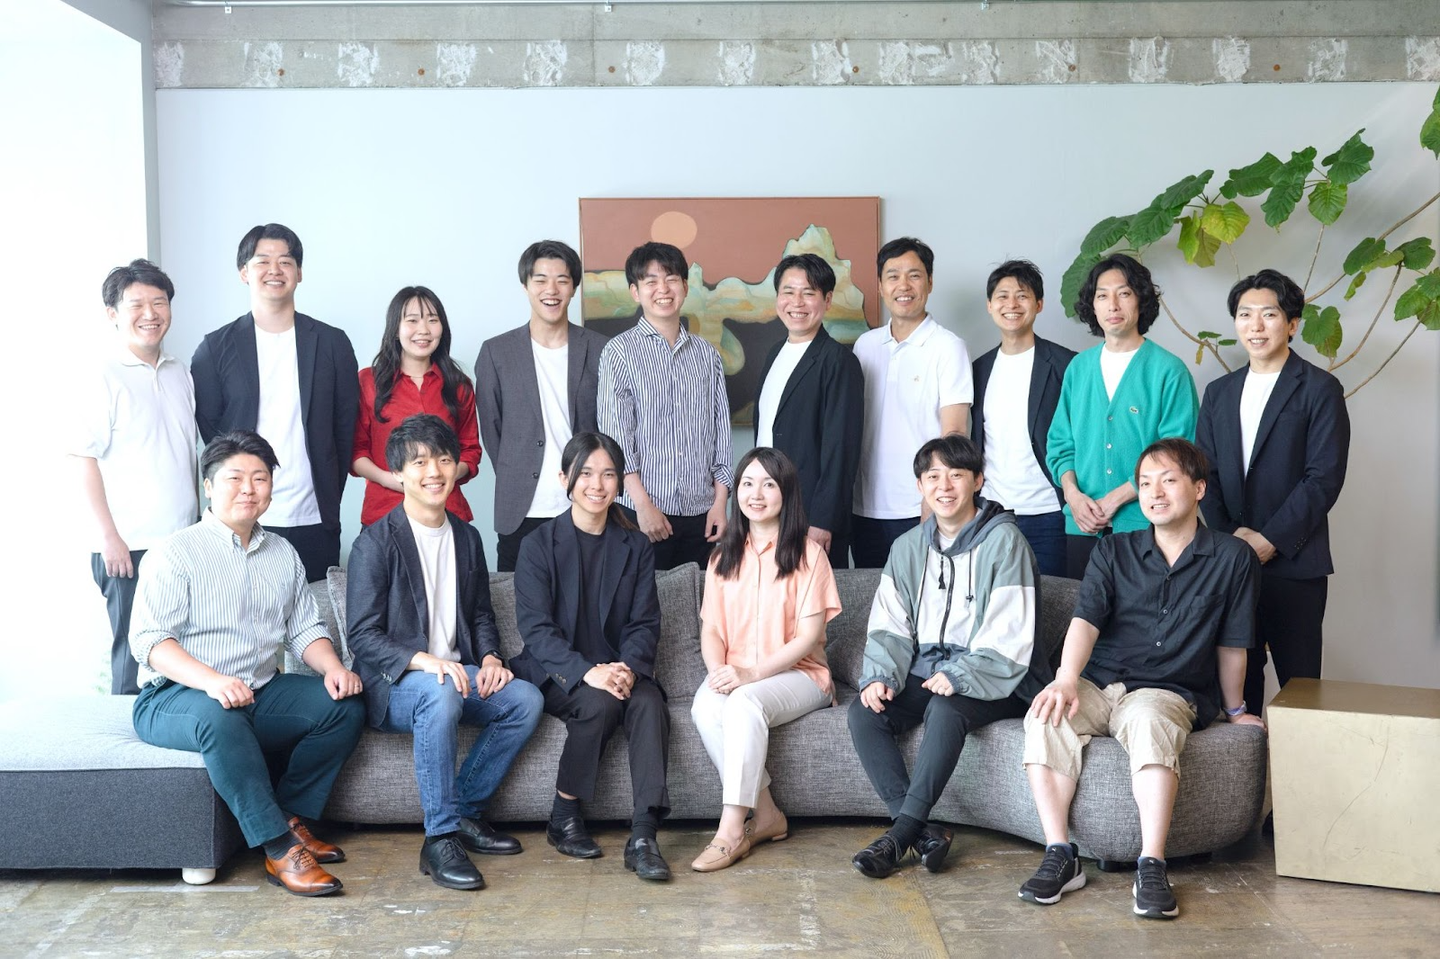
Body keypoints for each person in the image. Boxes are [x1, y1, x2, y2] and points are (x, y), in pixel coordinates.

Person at [1019, 438, 1262, 920]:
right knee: (1047, 714)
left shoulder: (1232, 557)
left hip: (1167, 690)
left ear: (1199, 488)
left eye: (1168, 481)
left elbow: (1232, 644)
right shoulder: (1114, 550)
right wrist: (1066, 679)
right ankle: (1061, 854)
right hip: (1100, 682)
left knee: (1150, 720)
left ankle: (1152, 864)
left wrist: (1235, 710)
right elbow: (1085, 621)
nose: (1155, 493)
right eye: (1146, 483)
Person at [129, 430, 366, 897]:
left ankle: (292, 817)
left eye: (260, 478)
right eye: (235, 478)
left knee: (343, 704)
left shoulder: (281, 552)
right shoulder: (175, 552)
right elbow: (150, 642)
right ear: (208, 486)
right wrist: (212, 681)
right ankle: (278, 848)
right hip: (174, 696)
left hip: (258, 691)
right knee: (220, 716)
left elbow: (304, 629)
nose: (248, 489)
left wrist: (333, 668)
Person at [346, 414, 544, 891]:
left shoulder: (467, 537)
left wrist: (492, 657)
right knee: (439, 691)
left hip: (456, 676)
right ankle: (440, 838)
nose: (433, 471)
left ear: (456, 467)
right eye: (419, 462)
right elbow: (362, 635)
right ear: (398, 473)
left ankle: (466, 813)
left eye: (443, 459)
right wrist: (425, 661)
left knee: (525, 700)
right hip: (397, 685)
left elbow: (480, 614)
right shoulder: (375, 542)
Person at [848, 434, 1050, 879]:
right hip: (931, 671)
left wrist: (961, 674)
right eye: (933, 476)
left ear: (977, 481)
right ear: (920, 485)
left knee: (945, 707)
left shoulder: (1006, 542)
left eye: (956, 475)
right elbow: (890, 623)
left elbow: (1011, 632)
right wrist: (880, 675)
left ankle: (899, 836)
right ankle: (923, 832)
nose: (944, 486)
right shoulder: (907, 547)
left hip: (1001, 676)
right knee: (865, 711)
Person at [510, 431, 673, 881]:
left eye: (608, 474)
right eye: (585, 473)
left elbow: (644, 623)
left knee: (649, 702)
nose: (597, 485)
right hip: (557, 671)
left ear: (620, 482)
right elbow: (536, 630)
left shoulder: (635, 546)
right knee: (599, 702)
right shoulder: (538, 545)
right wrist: (587, 672)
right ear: (564, 478)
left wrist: (628, 669)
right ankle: (564, 816)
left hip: (619, 668)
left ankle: (644, 836)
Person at [1195, 269, 1350, 716]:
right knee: (1238, 691)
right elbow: (1205, 474)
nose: (1256, 326)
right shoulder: (1219, 392)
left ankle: (1301, 766)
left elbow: (1323, 478)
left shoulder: (1320, 388)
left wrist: (1269, 541)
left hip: (1295, 562)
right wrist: (1232, 539)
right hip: (1230, 562)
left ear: (1293, 324)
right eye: (1245, 315)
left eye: (1269, 314)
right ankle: (1249, 765)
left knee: (1300, 689)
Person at [690, 447, 841, 872]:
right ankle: (769, 813)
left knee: (742, 701)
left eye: (768, 484)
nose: (756, 494)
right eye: (747, 483)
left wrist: (750, 674)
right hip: (738, 672)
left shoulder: (809, 554)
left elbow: (808, 638)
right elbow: (711, 630)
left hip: (800, 676)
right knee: (705, 705)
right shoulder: (722, 556)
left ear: (786, 493)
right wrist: (719, 674)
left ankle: (731, 831)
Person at [192, 223, 359, 583]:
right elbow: (213, 433)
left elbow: (345, 427)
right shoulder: (215, 348)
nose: (274, 270)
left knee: (316, 611)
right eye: (262, 261)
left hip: (313, 516)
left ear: (299, 272)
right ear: (244, 272)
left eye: (285, 261)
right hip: (241, 515)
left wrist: (329, 492)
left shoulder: (332, 343)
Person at [72, 259, 198, 695]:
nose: (150, 314)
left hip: (182, 542)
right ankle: (124, 741)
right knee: (133, 659)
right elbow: (83, 460)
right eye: (136, 304)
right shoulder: (102, 375)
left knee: (180, 658)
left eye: (159, 302)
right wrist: (109, 537)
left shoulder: (180, 371)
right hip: (129, 546)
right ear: (113, 313)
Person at [1046, 254, 1198, 580]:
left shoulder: (1169, 371)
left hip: (1147, 525)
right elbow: (1060, 444)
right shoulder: (1078, 369)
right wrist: (1073, 497)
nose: (1113, 305)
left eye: (1124, 293)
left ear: (1141, 300)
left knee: (1143, 612)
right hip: (1082, 525)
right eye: (1102, 296)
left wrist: (1115, 499)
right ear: (1093, 306)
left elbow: (1179, 453)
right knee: (1082, 609)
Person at [596, 241, 733, 570]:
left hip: (703, 514)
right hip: (640, 512)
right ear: (635, 291)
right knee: (644, 600)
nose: (663, 289)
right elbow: (616, 439)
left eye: (671, 279)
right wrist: (643, 506)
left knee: (701, 600)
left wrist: (720, 504)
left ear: (685, 286)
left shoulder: (707, 355)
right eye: (651, 281)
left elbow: (722, 435)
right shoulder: (619, 352)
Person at [475, 240, 607, 572]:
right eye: (541, 279)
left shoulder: (601, 349)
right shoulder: (496, 352)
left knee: (586, 598)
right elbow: (492, 430)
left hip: (585, 503)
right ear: (525, 285)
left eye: (562, 280)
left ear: (573, 288)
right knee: (517, 600)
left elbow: (609, 427)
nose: (552, 289)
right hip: (521, 509)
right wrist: (516, 470)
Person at [851, 237, 973, 568]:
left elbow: (955, 431)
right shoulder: (865, 346)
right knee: (867, 594)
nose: (903, 285)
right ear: (880, 286)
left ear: (930, 282)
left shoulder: (948, 347)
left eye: (914, 275)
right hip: (863, 506)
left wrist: (933, 499)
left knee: (921, 595)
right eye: (893, 276)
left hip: (919, 506)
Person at [752, 253, 864, 567]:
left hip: (810, 516)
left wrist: (823, 520)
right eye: (788, 292)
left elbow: (841, 449)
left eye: (809, 293)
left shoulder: (838, 361)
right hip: (768, 508)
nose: (797, 302)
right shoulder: (776, 352)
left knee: (812, 596)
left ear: (827, 300)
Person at [970, 260, 1076, 578]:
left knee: (1055, 600)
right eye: (1002, 296)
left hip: (1050, 513)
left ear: (1039, 304)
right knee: (991, 602)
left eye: (1022, 295)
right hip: (991, 514)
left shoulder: (1067, 365)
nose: (1012, 304)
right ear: (990, 305)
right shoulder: (977, 370)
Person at [352, 286, 481, 527]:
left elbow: (470, 449)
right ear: (395, 329)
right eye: (412, 320)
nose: (423, 330)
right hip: (384, 513)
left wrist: (442, 477)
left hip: (447, 512)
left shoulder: (458, 385)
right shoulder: (368, 382)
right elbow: (357, 451)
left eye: (432, 320)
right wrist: (391, 480)